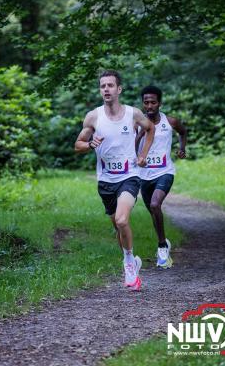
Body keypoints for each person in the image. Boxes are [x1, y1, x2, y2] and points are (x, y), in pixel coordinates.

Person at [75, 70, 155, 291]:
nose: (106, 89)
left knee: (122, 220)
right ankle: (131, 258)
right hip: (105, 181)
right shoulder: (93, 116)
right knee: (118, 227)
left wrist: (143, 155)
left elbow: (150, 129)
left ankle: (129, 262)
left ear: (119, 89)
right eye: (103, 86)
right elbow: (78, 145)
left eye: (110, 85)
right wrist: (90, 143)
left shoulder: (133, 113)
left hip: (129, 177)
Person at [136, 85, 187, 269]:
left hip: (165, 172)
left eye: (153, 102)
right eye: (146, 102)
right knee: (153, 212)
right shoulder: (137, 124)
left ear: (160, 103)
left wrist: (182, 149)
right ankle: (163, 239)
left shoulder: (170, 121)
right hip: (144, 176)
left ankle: (162, 246)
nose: (149, 106)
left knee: (155, 204)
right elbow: (131, 149)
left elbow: (183, 132)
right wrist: (139, 136)